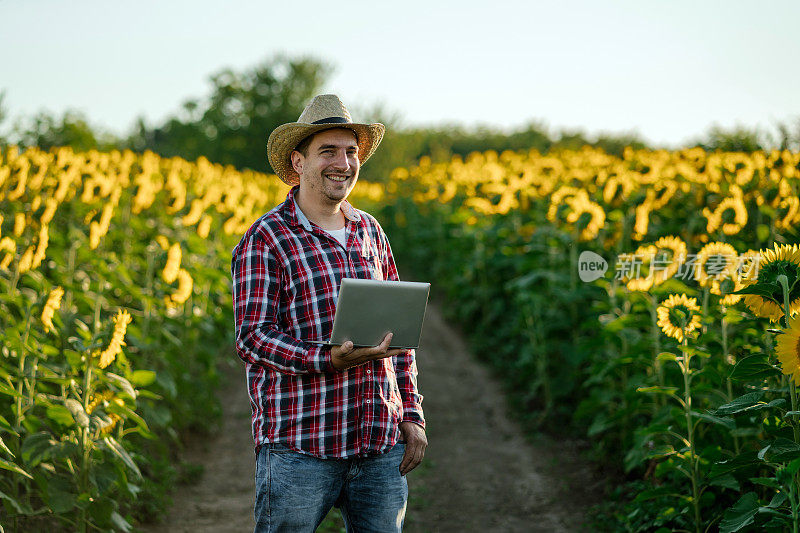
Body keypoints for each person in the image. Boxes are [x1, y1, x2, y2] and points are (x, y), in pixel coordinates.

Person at [231, 94, 426, 533]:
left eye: (351, 151)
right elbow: (254, 337)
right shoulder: (267, 238)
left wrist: (411, 415)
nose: (344, 162)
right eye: (329, 151)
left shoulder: (370, 230)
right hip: (301, 445)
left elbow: (402, 334)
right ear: (298, 162)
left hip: (378, 444)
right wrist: (327, 358)